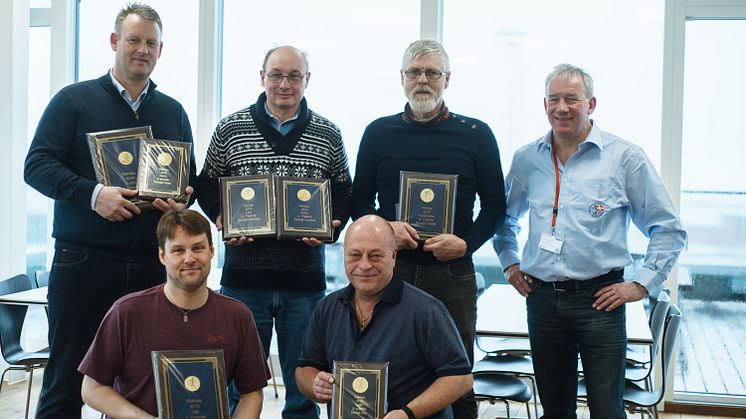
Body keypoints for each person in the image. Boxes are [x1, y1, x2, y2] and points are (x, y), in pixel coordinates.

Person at [23, 3, 197, 418]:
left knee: (143, 386)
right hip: (85, 264)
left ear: (161, 50)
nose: (142, 50)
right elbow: (36, 166)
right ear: (115, 42)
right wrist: (93, 193)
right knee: (67, 381)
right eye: (134, 40)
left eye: (151, 43)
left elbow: (186, 182)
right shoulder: (73, 101)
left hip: (150, 270)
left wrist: (181, 200)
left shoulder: (172, 111)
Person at [492, 63, 687, 418]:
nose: (562, 107)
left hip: (601, 301)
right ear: (545, 104)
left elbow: (668, 229)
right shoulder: (526, 159)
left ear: (591, 104)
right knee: (554, 409)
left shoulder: (625, 158)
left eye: (572, 99)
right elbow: (503, 220)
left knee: (606, 409)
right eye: (554, 99)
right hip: (542, 300)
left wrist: (641, 285)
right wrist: (509, 262)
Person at [348, 39, 505, 418]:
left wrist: (465, 244)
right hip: (390, 272)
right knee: (385, 364)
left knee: (456, 372)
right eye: (415, 72)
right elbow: (357, 202)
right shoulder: (377, 132)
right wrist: (386, 228)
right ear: (402, 78)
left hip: (451, 274)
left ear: (447, 79)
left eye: (432, 72)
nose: (423, 80)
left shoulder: (477, 134)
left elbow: (497, 206)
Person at [196, 45, 352, 418]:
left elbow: (345, 192)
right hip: (243, 281)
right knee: (237, 387)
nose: (285, 84)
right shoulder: (230, 128)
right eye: (277, 74)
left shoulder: (328, 133)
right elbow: (206, 184)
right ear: (262, 77)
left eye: (294, 76)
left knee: (305, 395)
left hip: (305, 284)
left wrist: (331, 228)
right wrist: (221, 218)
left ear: (306, 81)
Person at [78, 209, 269, 419]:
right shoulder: (126, 312)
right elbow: (91, 388)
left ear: (212, 251)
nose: (189, 258)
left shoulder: (238, 316)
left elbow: (251, 393)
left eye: (198, 248)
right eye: (178, 250)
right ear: (162, 255)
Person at [296, 215, 473, 419]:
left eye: (375, 256)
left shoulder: (426, 310)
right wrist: (314, 383)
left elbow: (460, 378)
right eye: (355, 255)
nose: (364, 265)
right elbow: (305, 368)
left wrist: (408, 413)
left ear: (393, 256)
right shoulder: (327, 308)